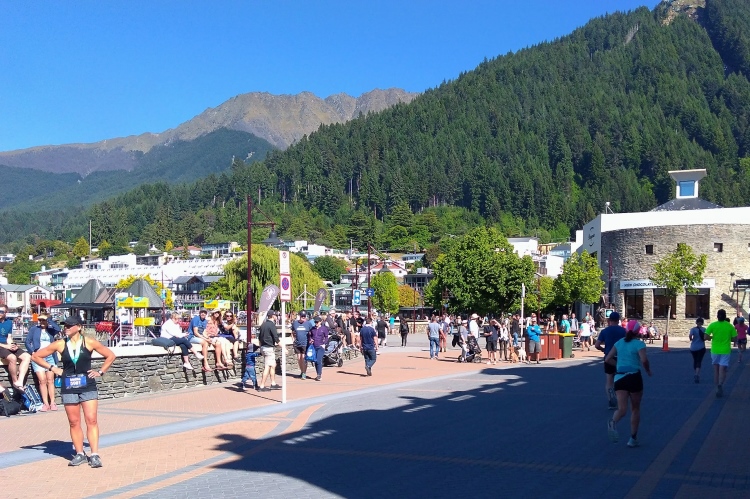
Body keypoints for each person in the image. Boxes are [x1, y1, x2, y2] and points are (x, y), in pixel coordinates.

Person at [31, 316, 116, 467]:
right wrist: (53, 368)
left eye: (70, 326)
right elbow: (36, 356)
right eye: (65, 325)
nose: (66, 328)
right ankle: (79, 453)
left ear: (79, 327)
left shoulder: (88, 342)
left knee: (91, 420)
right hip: (69, 386)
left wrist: (100, 372)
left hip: (87, 385)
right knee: (74, 422)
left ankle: (94, 454)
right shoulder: (60, 344)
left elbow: (110, 355)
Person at [605, 319, 652, 447]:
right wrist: (648, 370)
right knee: (635, 408)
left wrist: (618, 365)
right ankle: (633, 438)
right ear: (638, 332)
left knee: (622, 409)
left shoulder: (619, 343)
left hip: (619, 377)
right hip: (634, 377)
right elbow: (644, 360)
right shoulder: (639, 344)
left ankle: (613, 421)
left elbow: (608, 359)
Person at [24, 314, 62, 411]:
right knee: (42, 380)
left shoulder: (51, 330)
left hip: (50, 357)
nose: (41, 322)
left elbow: (58, 329)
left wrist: (49, 320)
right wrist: (32, 352)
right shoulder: (34, 329)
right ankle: (45, 403)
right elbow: (27, 342)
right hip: (38, 357)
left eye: (43, 320)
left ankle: (52, 402)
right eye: (40, 320)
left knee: (50, 380)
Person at [595, 311, 627, 410]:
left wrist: (604, 350)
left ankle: (611, 401)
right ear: (618, 320)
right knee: (621, 379)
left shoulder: (604, 331)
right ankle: (622, 399)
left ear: (609, 320)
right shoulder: (623, 331)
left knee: (609, 380)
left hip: (609, 357)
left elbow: (597, 345)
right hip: (621, 357)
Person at [704, 309, 737, 398]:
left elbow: (705, 336)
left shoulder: (713, 325)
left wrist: (711, 337)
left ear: (717, 316)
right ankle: (720, 384)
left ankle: (716, 388)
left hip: (715, 350)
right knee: (723, 369)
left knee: (716, 370)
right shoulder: (730, 326)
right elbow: (735, 339)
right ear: (725, 316)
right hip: (725, 350)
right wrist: (728, 338)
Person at [0, 305, 32, 390]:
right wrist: (6, 346)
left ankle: (20, 381)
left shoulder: (9, 322)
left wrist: (12, 345)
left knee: (27, 356)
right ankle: (15, 382)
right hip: (0, 346)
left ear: (6, 313)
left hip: (6, 344)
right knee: (12, 358)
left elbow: (9, 337)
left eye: (1, 311)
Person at [257, 311, 281, 391]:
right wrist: (283, 347)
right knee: (267, 366)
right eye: (276, 315)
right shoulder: (271, 325)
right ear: (273, 316)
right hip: (268, 348)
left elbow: (259, 337)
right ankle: (262, 386)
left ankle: (273, 383)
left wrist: (261, 347)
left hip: (263, 347)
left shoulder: (263, 324)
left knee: (273, 365)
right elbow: (276, 338)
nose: (276, 317)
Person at [308, 316, 329, 381]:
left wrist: (324, 344)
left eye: (317, 322)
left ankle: (319, 375)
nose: (316, 323)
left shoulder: (324, 328)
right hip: (314, 347)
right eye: (315, 322)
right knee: (315, 361)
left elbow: (326, 337)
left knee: (318, 360)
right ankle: (318, 374)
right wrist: (310, 340)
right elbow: (310, 336)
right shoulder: (312, 329)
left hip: (320, 347)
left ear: (320, 322)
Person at [292, 311, 312, 379]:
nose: (303, 317)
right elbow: (292, 332)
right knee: (299, 358)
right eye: (302, 316)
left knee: (303, 358)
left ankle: (304, 373)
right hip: (297, 343)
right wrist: (293, 339)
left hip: (305, 343)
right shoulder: (295, 323)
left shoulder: (308, 324)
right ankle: (302, 371)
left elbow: (311, 332)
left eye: (304, 316)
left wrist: (311, 339)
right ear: (299, 316)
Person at [688, 318, 707, 384]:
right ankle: (697, 373)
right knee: (699, 360)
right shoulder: (704, 329)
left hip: (693, 347)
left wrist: (692, 339)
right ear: (702, 323)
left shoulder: (693, 329)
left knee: (695, 360)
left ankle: (696, 372)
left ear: (696, 322)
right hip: (701, 347)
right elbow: (705, 338)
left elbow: (690, 336)